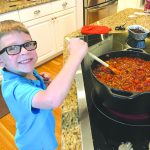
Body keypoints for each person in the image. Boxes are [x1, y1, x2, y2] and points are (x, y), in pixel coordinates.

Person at [0, 20, 88, 150]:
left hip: (44, 134)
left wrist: (42, 83)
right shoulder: (14, 88)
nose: (24, 51)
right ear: (1, 61)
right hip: (35, 144)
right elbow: (50, 100)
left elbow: (43, 96)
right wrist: (75, 56)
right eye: (12, 48)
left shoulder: (28, 72)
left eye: (28, 44)